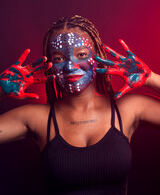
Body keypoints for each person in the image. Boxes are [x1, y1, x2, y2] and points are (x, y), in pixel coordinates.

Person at [0, 15, 159, 195]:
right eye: (59, 58)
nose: (70, 66)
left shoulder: (128, 109)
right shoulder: (37, 118)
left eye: (81, 54)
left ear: (97, 56)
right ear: (50, 64)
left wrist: (150, 79)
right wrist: (1, 90)